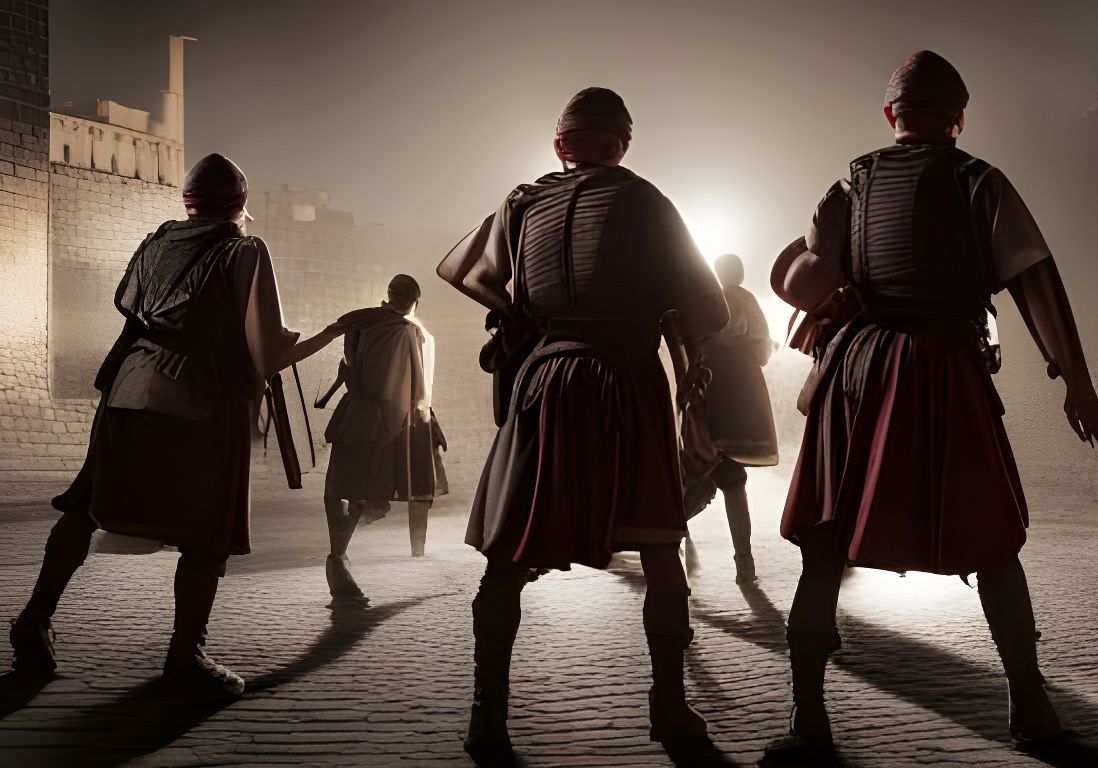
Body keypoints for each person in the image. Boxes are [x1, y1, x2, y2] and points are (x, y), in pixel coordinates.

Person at [771, 51, 1098, 748]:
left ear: (889, 115)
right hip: (941, 370)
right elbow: (1033, 280)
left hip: (856, 374)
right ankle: (1029, 706)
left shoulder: (850, 184)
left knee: (822, 549)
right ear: (959, 118)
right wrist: (1074, 380)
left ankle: (807, 717)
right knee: (991, 542)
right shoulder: (978, 181)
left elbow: (803, 272)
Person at [437, 87, 728, 764]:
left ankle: (488, 716)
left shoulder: (523, 200)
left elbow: (466, 269)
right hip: (625, 377)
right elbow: (701, 307)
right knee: (659, 550)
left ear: (559, 144)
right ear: (621, 143)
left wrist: (524, 315)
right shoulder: (644, 200)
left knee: (507, 559)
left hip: (545, 380)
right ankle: (669, 704)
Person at [7, 154, 343, 697]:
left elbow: (139, 313)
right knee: (208, 527)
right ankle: (185, 656)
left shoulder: (158, 241)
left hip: (130, 385)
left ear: (189, 202)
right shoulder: (244, 249)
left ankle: (34, 618)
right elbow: (268, 349)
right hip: (200, 399)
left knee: (86, 505)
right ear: (239, 206)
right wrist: (328, 333)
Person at [320, 274, 448, 609]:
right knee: (360, 489)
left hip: (354, 411)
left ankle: (338, 556)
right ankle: (338, 558)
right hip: (384, 418)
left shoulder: (359, 322)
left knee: (340, 487)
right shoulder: (410, 332)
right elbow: (417, 387)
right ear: (415, 300)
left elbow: (346, 367)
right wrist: (422, 417)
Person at [692, 253, 779, 583]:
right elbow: (762, 351)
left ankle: (676, 549)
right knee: (734, 479)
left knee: (694, 465)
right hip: (743, 390)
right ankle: (745, 560)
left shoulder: (706, 299)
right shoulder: (747, 300)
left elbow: (691, 341)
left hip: (710, 387)